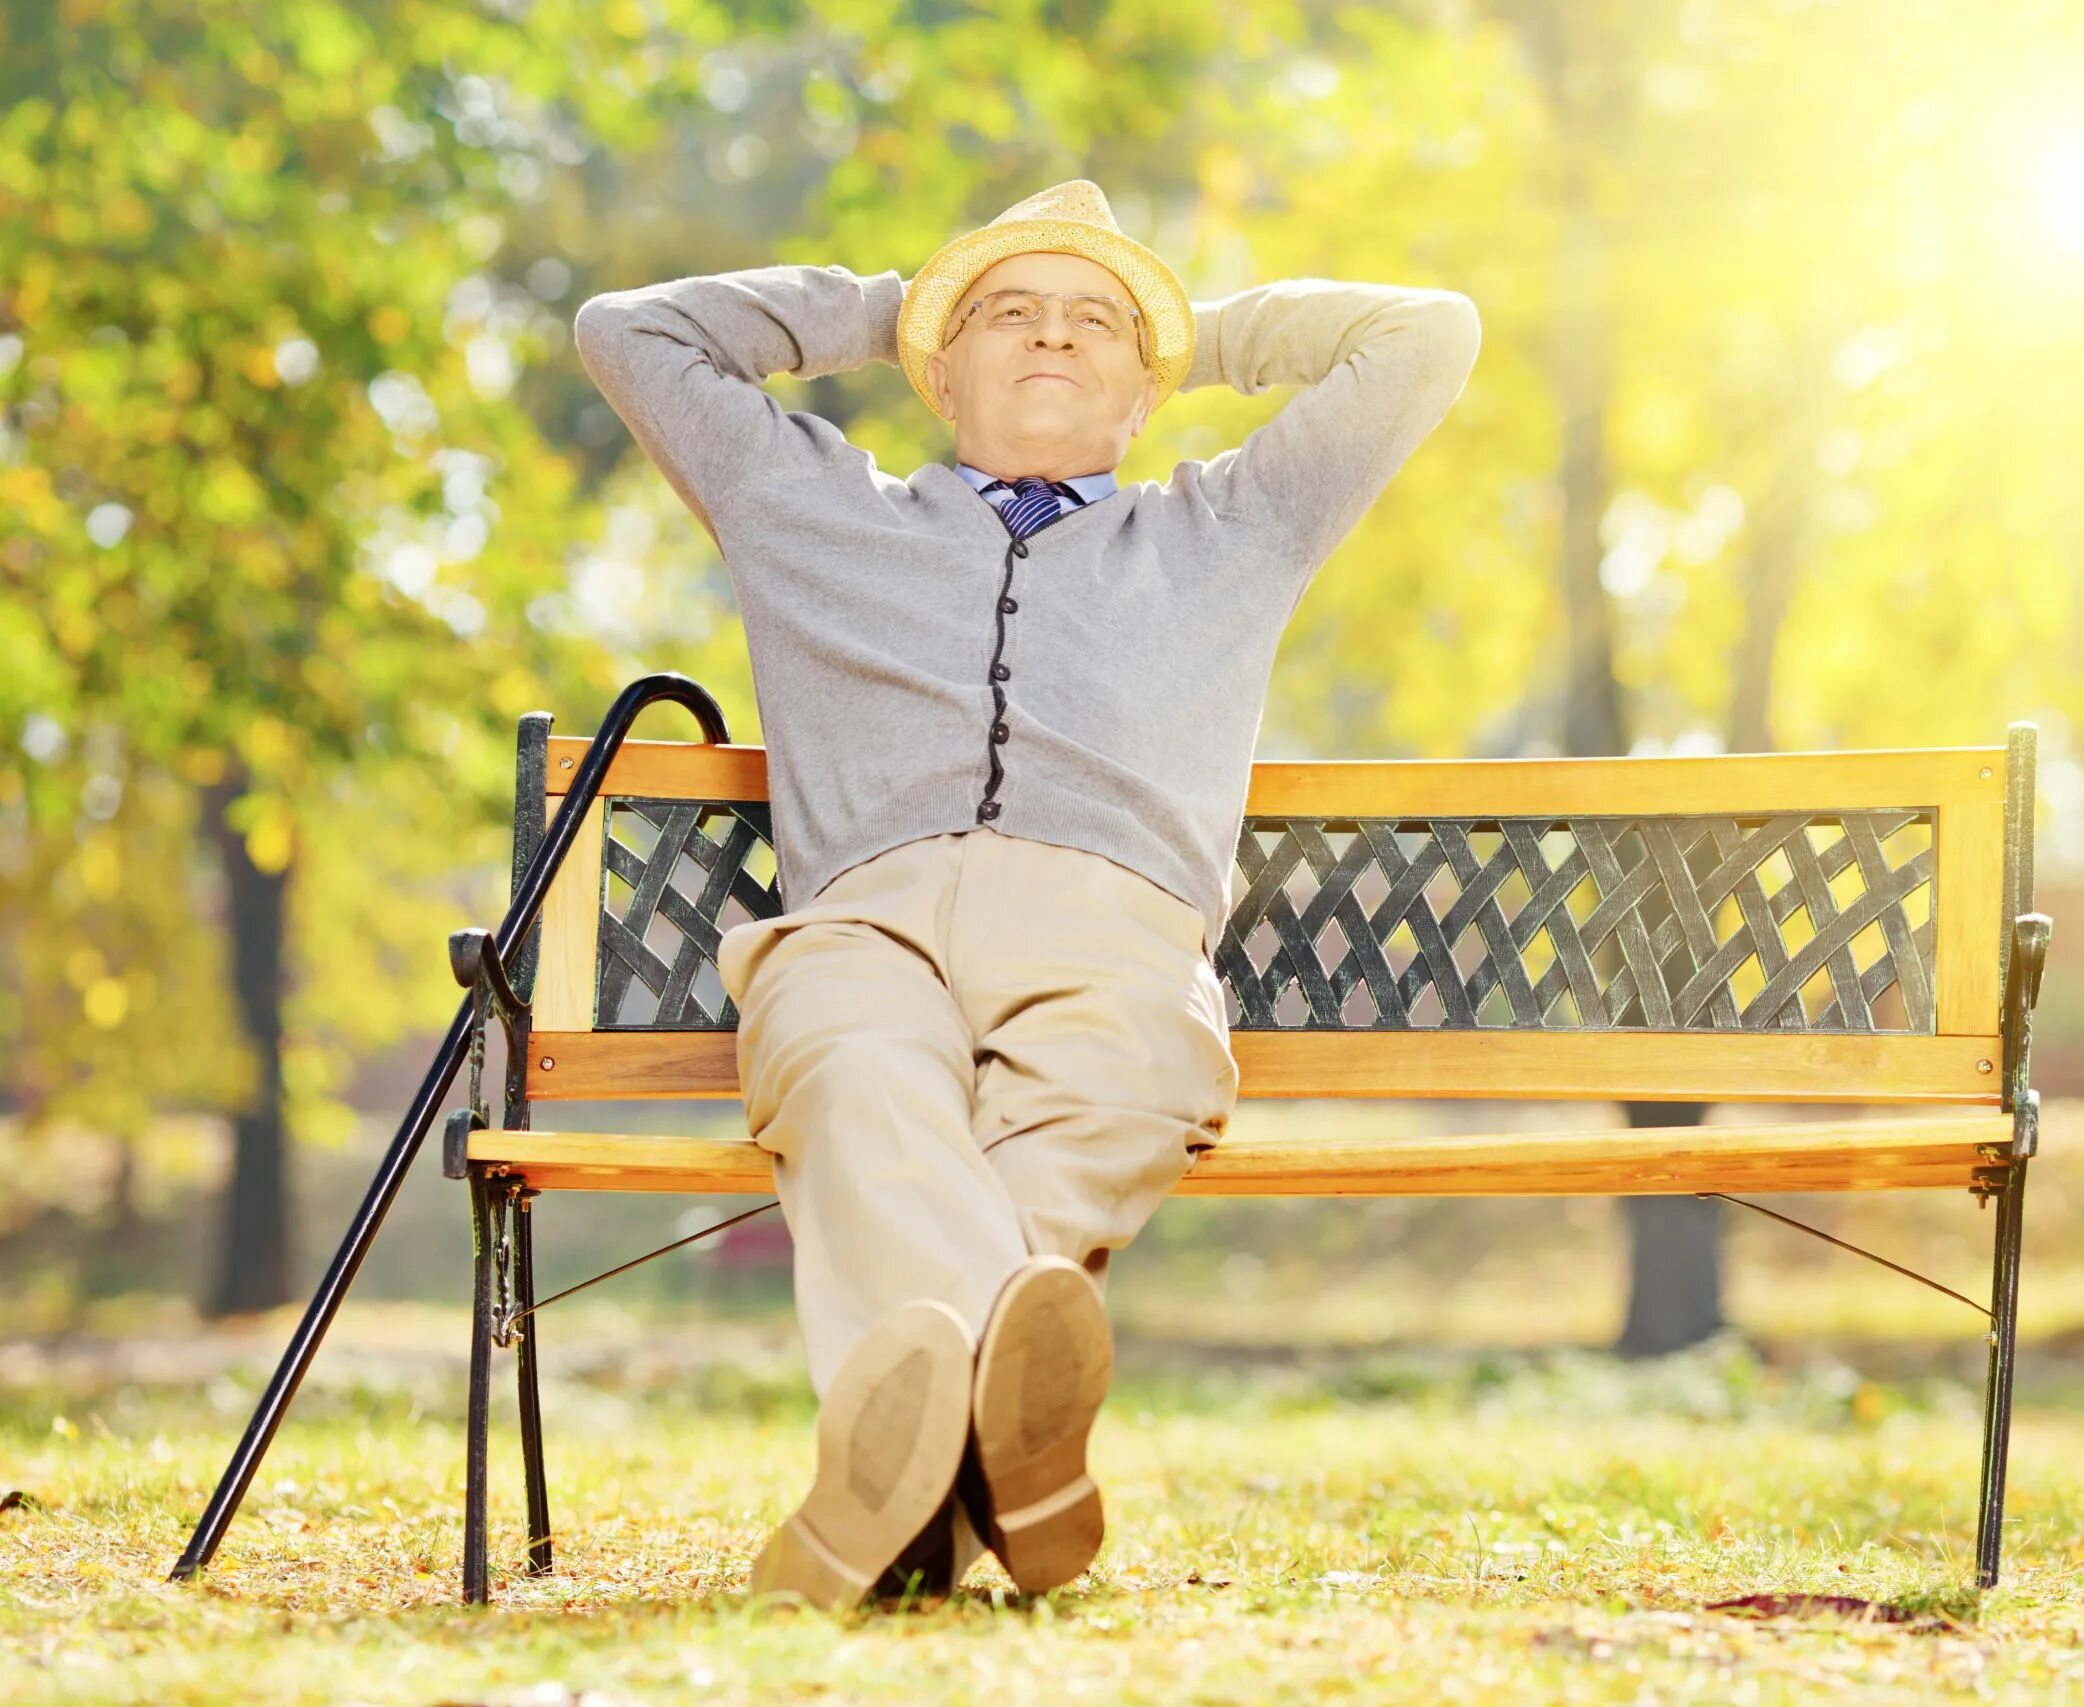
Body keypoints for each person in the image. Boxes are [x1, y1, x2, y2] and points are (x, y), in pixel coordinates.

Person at [572, 179, 1480, 1607]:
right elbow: (630, 332)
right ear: (940, 371)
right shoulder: (801, 500)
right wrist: (897, 304)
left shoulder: (1233, 527)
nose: (1053, 337)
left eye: (1094, 327)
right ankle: (1008, 1439)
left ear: (1144, 387)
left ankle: (908, 1486)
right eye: (1009, 317)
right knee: (847, 1070)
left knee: (1125, 1077)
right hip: (862, 921)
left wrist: (1190, 327)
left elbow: (1427, 334)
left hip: (1113, 926)